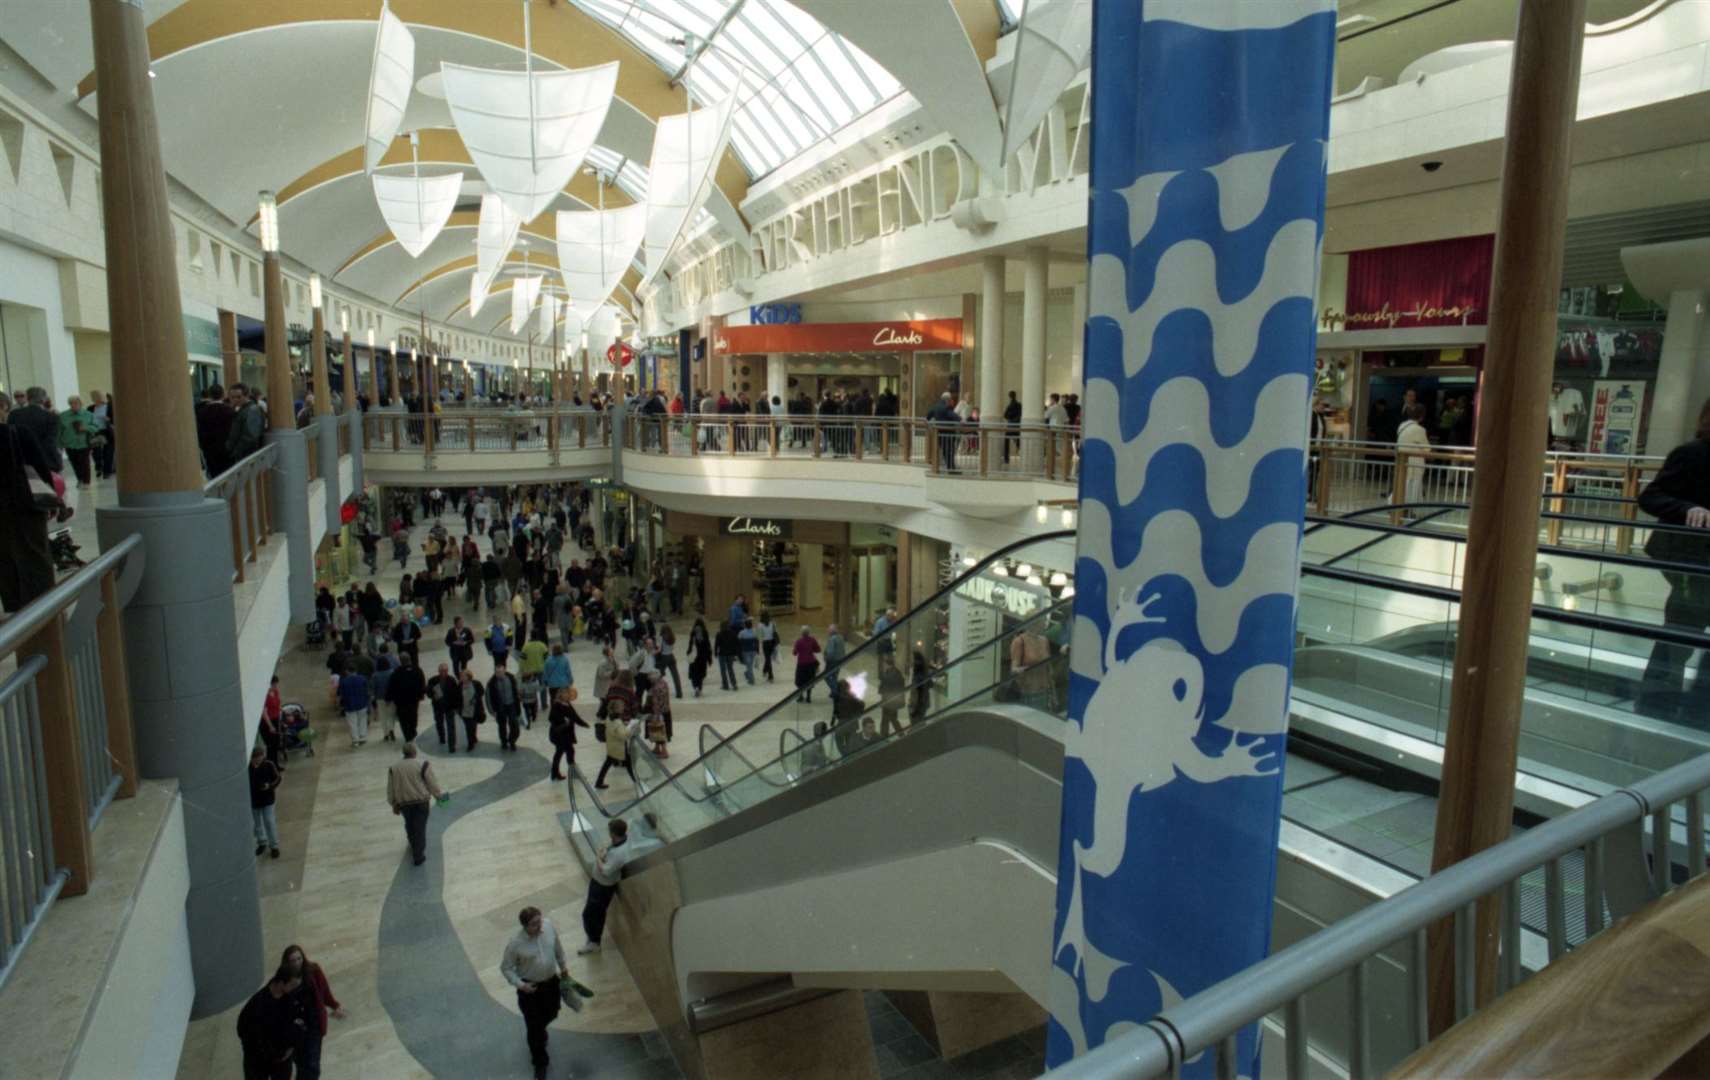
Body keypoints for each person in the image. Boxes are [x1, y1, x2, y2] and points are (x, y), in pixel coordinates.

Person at [1636, 404, 1710, 726]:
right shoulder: (1692, 454)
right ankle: (1662, 703)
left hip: (1696, 561)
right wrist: (1688, 508)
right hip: (1691, 558)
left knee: (1683, 627)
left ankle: (1668, 703)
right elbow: (1650, 496)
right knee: (1683, 627)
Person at [0, 394, 58, 614]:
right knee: (34, 552)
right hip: (23, 502)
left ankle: (14, 604)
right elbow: (41, 467)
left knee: (5, 555)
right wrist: (50, 501)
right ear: (4, 407)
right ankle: (41, 604)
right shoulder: (18, 432)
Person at [500, 906, 572, 1080]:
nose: (539, 926)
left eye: (539, 921)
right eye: (534, 924)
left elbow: (557, 948)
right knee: (534, 1028)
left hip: (551, 983)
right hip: (530, 989)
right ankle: (540, 1062)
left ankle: (540, 1030)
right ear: (524, 926)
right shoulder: (515, 944)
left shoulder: (547, 926)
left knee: (553, 1012)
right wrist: (521, 985)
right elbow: (506, 968)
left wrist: (563, 968)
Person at [579, 817, 659, 955]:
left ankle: (594, 942)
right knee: (593, 913)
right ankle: (593, 937)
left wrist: (598, 856)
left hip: (602, 886)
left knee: (591, 913)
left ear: (613, 834)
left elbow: (605, 871)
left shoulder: (619, 854)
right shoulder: (622, 841)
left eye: (609, 831)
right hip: (598, 883)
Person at [279, 944, 343, 1080]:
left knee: (312, 1067)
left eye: (299, 958)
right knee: (302, 1064)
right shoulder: (283, 979)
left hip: (314, 1026)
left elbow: (324, 990)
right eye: (292, 960)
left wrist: (334, 1005)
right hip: (295, 1029)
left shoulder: (313, 970)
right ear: (287, 962)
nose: (297, 963)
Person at [385, 742, 445, 866]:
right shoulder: (422, 765)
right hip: (421, 802)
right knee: (420, 827)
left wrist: (393, 803)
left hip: (404, 803)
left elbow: (390, 789)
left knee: (410, 824)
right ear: (414, 752)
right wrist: (440, 798)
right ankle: (418, 855)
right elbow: (432, 783)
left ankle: (412, 843)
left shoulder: (394, 768)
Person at [236, 974, 305, 1080]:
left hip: (281, 1060)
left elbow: (300, 1020)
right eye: (293, 986)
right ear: (282, 984)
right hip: (259, 1060)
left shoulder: (290, 998)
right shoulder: (257, 1007)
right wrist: (275, 1055)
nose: (296, 989)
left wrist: (290, 1048)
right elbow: (245, 1032)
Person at [593, 694, 642, 789]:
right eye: (622, 707)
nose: (623, 708)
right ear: (616, 709)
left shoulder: (609, 718)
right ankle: (636, 780)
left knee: (608, 763)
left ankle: (599, 782)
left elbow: (616, 730)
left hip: (612, 746)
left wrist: (625, 724)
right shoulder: (617, 721)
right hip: (619, 747)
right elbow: (623, 735)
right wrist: (632, 727)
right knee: (628, 764)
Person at [1394, 402, 1430, 509]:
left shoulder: (1402, 426)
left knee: (1402, 483)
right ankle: (1411, 507)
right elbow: (1427, 448)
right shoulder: (1420, 430)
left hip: (1402, 459)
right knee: (1414, 484)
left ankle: (1395, 504)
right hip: (1415, 461)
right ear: (1422, 416)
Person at [547, 687, 588, 781]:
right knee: (569, 752)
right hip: (560, 735)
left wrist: (583, 724)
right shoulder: (557, 705)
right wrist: (564, 720)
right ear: (560, 694)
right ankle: (571, 773)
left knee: (561, 753)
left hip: (566, 734)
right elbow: (551, 718)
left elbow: (574, 716)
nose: (567, 695)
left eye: (567, 693)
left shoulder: (567, 704)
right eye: (565, 693)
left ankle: (555, 773)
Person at [1011, 623, 1054, 711]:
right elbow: (1013, 668)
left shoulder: (1044, 640)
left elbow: (1049, 667)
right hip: (1028, 692)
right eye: (1042, 621)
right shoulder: (1019, 641)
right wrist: (1022, 669)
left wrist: (1053, 691)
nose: (1044, 624)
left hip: (1044, 691)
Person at [249, 746, 281, 860]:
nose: (257, 759)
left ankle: (274, 846)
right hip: (254, 800)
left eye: (259, 757)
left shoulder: (268, 764)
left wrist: (270, 786)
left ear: (263, 756)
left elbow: (278, 778)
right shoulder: (248, 768)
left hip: (267, 799)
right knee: (257, 824)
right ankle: (262, 842)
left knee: (269, 822)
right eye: (255, 757)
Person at [56, 394, 95, 486]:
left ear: (81, 403)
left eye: (76, 403)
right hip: (69, 443)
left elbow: (96, 427)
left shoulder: (88, 415)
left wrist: (86, 428)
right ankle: (80, 479)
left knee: (85, 462)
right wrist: (59, 445)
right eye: (71, 403)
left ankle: (86, 482)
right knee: (74, 463)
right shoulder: (63, 415)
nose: (73, 405)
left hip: (84, 442)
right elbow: (59, 431)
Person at [387, 654, 427, 744]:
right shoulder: (417, 670)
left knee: (404, 719)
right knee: (413, 715)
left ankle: (408, 736)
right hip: (414, 699)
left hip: (401, 701)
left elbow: (392, 687)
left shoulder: (396, 672)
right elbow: (422, 682)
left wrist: (389, 698)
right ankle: (413, 731)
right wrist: (422, 694)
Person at [487, 658, 523, 750]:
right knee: (502, 726)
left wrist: (519, 697)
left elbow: (517, 690)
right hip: (500, 707)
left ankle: (512, 741)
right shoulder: (491, 683)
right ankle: (504, 742)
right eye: (497, 672)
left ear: (505, 670)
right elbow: (488, 698)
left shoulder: (511, 678)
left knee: (514, 725)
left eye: (501, 672)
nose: (499, 674)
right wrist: (492, 711)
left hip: (511, 705)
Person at [226, 383, 266, 464]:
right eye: (232, 397)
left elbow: (250, 437)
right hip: (244, 453)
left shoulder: (252, 410)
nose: (235, 400)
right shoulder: (243, 409)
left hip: (247, 454)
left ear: (246, 395)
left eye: (238, 397)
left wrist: (236, 451)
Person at [337, 663, 371, 747]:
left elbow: (341, 694)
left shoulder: (344, 681)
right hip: (362, 703)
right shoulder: (363, 679)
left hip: (349, 705)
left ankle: (355, 740)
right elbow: (367, 692)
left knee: (352, 724)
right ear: (356, 670)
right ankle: (363, 737)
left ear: (347, 671)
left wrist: (340, 705)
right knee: (362, 721)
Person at [428, 662, 460, 748]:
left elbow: (456, 695)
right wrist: (432, 695)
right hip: (438, 706)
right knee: (439, 723)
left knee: (451, 726)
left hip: (449, 706)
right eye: (442, 671)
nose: (443, 673)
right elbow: (428, 692)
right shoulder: (432, 680)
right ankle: (442, 738)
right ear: (439, 671)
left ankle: (451, 745)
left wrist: (456, 707)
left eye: (445, 671)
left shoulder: (452, 680)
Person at [456, 667, 486, 751]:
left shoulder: (476, 684)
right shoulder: (459, 686)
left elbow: (481, 692)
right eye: (461, 676)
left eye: (463, 676)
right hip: (464, 710)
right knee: (468, 727)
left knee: (472, 726)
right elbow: (457, 697)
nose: (461, 677)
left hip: (474, 710)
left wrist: (475, 699)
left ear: (468, 676)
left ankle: (472, 740)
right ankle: (471, 742)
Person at [793, 626, 822, 702]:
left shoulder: (798, 641)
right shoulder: (812, 640)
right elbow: (818, 650)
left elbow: (794, 653)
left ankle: (801, 696)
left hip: (801, 664)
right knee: (809, 680)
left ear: (801, 633)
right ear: (809, 632)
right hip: (811, 663)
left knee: (800, 681)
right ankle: (809, 697)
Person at [686, 618, 711, 697]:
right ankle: (699, 688)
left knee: (694, 674)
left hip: (694, 657)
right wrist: (709, 658)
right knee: (700, 674)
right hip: (702, 657)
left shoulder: (693, 632)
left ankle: (695, 687)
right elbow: (707, 645)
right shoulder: (705, 632)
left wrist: (688, 652)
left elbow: (690, 644)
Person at [822, 624, 847, 699]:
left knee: (826, 676)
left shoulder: (832, 639)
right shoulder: (841, 637)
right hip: (840, 660)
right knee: (835, 676)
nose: (827, 631)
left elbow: (830, 652)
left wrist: (826, 658)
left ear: (831, 631)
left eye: (829, 630)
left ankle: (835, 691)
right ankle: (833, 692)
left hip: (832, 661)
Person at [909, 650, 931, 727]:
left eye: (912, 659)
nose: (910, 661)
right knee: (920, 723)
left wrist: (915, 710)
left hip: (918, 706)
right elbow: (930, 684)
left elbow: (919, 695)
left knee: (916, 725)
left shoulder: (918, 676)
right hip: (922, 704)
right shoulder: (924, 672)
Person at [755, 612, 778, 682]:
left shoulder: (760, 625)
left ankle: (771, 676)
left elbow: (759, 636)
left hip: (765, 643)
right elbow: (776, 632)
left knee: (768, 659)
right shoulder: (773, 624)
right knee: (768, 659)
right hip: (772, 643)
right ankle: (765, 670)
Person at [1002, 389, 1023, 465]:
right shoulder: (1019, 405)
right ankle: (1023, 455)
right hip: (1017, 425)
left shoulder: (1010, 405)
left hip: (1011, 425)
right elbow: (1020, 415)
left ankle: (1006, 459)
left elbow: (1005, 415)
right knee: (1018, 442)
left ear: (1009, 397)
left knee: (1007, 441)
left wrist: (1010, 418)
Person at [738, 619, 759, 685]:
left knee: (749, 665)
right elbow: (756, 641)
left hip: (745, 651)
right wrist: (757, 650)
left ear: (745, 625)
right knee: (750, 665)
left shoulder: (742, 632)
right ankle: (750, 678)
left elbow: (739, 641)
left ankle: (749, 676)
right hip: (753, 650)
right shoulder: (754, 631)